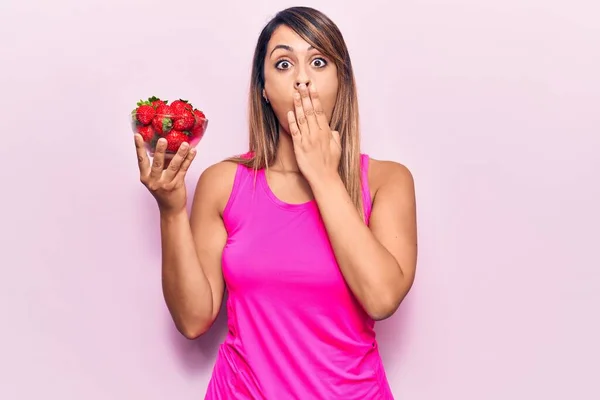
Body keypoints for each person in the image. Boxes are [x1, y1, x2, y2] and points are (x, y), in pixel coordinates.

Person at [133, 6, 417, 399]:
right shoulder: (224, 183)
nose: (302, 78)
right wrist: (171, 210)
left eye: (318, 62)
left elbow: (382, 298)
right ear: (264, 89)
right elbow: (193, 319)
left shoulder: (389, 181)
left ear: (342, 81)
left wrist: (323, 174)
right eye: (284, 63)